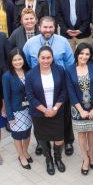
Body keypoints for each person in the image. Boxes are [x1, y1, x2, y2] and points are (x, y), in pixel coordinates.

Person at [25, 46, 69, 175]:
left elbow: (63, 91)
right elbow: (30, 96)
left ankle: (58, 158)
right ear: (38, 58)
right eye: (43, 58)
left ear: (52, 58)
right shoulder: (30, 74)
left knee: (59, 138)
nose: (45, 60)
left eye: (48, 57)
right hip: (39, 113)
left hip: (57, 112)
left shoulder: (60, 70)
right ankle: (48, 160)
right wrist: (45, 110)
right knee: (43, 138)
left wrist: (55, 108)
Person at [66, 43, 93, 174]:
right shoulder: (69, 69)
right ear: (77, 54)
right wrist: (80, 110)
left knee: (92, 132)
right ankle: (85, 158)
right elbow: (71, 92)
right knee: (81, 134)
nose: (84, 56)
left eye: (87, 54)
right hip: (77, 109)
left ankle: (91, 154)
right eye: (82, 53)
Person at [2, 50, 33, 170]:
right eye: (14, 60)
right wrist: (9, 115)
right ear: (11, 61)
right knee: (18, 135)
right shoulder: (7, 76)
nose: (17, 62)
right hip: (16, 110)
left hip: (29, 108)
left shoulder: (28, 72)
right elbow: (6, 96)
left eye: (19, 59)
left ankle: (25, 151)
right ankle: (21, 155)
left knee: (28, 132)